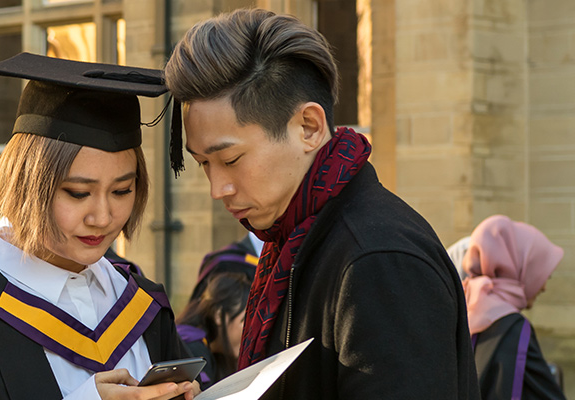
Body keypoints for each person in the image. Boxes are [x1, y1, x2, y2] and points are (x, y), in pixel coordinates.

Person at [164, 8, 478, 399]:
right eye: (203, 165)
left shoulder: (378, 260)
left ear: (308, 127)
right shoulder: (296, 235)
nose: (217, 188)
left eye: (230, 160)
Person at [0, 53, 198, 400]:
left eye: (121, 190)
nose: (102, 217)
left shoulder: (140, 305)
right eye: (78, 192)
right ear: (25, 184)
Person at [462, 215, 565, 400]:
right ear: (522, 268)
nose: (544, 287)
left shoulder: (465, 307)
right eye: (541, 275)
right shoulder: (512, 327)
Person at [174, 271, 251, 389]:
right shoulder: (192, 350)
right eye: (244, 321)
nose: (249, 331)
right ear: (219, 315)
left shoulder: (210, 350)